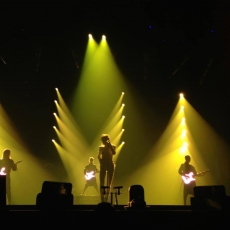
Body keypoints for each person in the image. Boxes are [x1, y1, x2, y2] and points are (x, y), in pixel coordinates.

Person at [97, 134, 116, 202]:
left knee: (109, 182)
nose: (102, 142)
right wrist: (101, 162)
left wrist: (110, 144)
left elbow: (114, 153)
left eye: (103, 140)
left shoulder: (113, 146)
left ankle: (107, 197)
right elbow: (99, 156)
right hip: (103, 164)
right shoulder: (101, 147)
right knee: (101, 181)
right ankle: (102, 198)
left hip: (110, 164)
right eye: (102, 140)